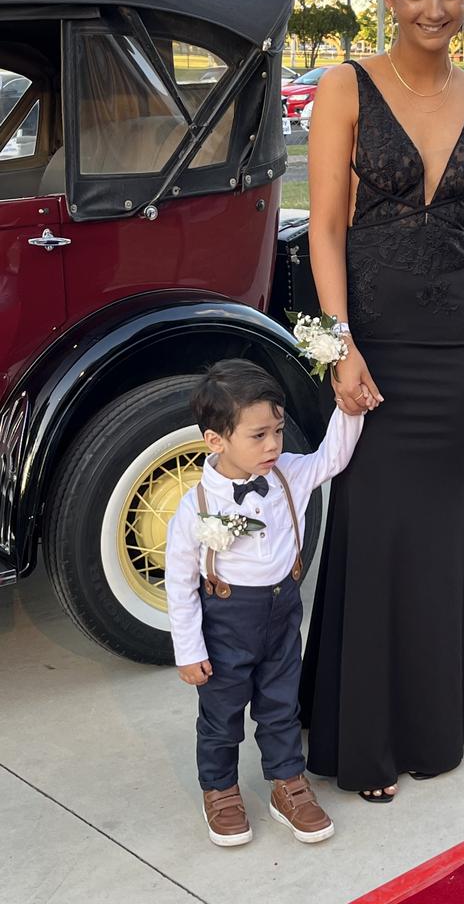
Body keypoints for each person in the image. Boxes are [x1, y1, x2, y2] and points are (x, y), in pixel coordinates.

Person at [299, 0, 464, 802]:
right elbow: (324, 228)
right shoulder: (345, 87)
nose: (436, 8)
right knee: (376, 525)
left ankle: (440, 711)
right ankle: (368, 732)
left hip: (457, 351)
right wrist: (339, 344)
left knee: (437, 529)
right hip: (372, 350)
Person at [165, 359, 363, 846]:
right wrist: (189, 651)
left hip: (281, 616)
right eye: (258, 436)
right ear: (216, 440)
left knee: (281, 707)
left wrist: (349, 410)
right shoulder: (195, 509)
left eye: (277, 430)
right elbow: (180, 584)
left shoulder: (287, 474)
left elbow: (331, 460)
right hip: (226, 625)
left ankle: (287, 784)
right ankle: (221, 790)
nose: (273, 445)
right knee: (221, 715)